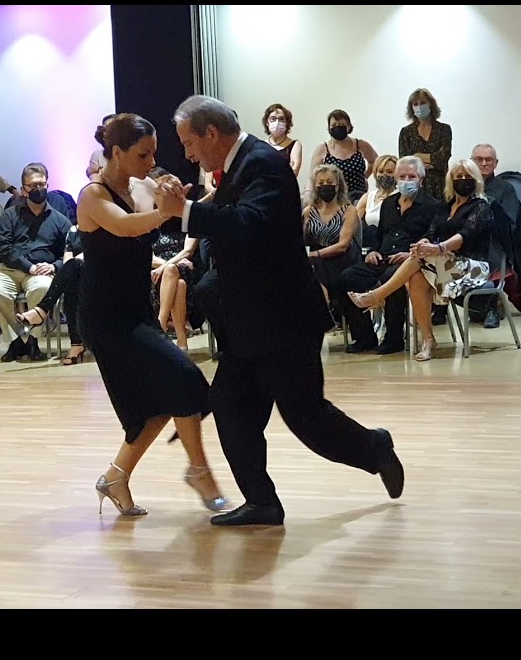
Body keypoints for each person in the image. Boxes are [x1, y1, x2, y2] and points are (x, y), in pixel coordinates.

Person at [157, 95, 404, 527]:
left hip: (284, 319)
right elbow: (234, 216)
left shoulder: (264, 163)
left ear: (211, 133)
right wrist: (191, 209)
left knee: (307, 418)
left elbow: (251, 225)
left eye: (188, 143)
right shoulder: (241, 165)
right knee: (232, 409)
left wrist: (188, 212)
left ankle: (375, 447)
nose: (187, 153)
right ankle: (262, 503)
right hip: (250, 320)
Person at [77, 113, 229, 518]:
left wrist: (202, 196)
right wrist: (166, 209)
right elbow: (126, 228)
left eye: (154, 155)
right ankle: (200, 472)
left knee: (160, 405)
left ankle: (115, 477)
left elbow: (182, 212)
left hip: (135, 312)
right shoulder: (92, 195)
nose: (151, 163)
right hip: (106, 320)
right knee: (182, 378)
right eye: (143, 155)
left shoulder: (143, 185)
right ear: (116, 152)